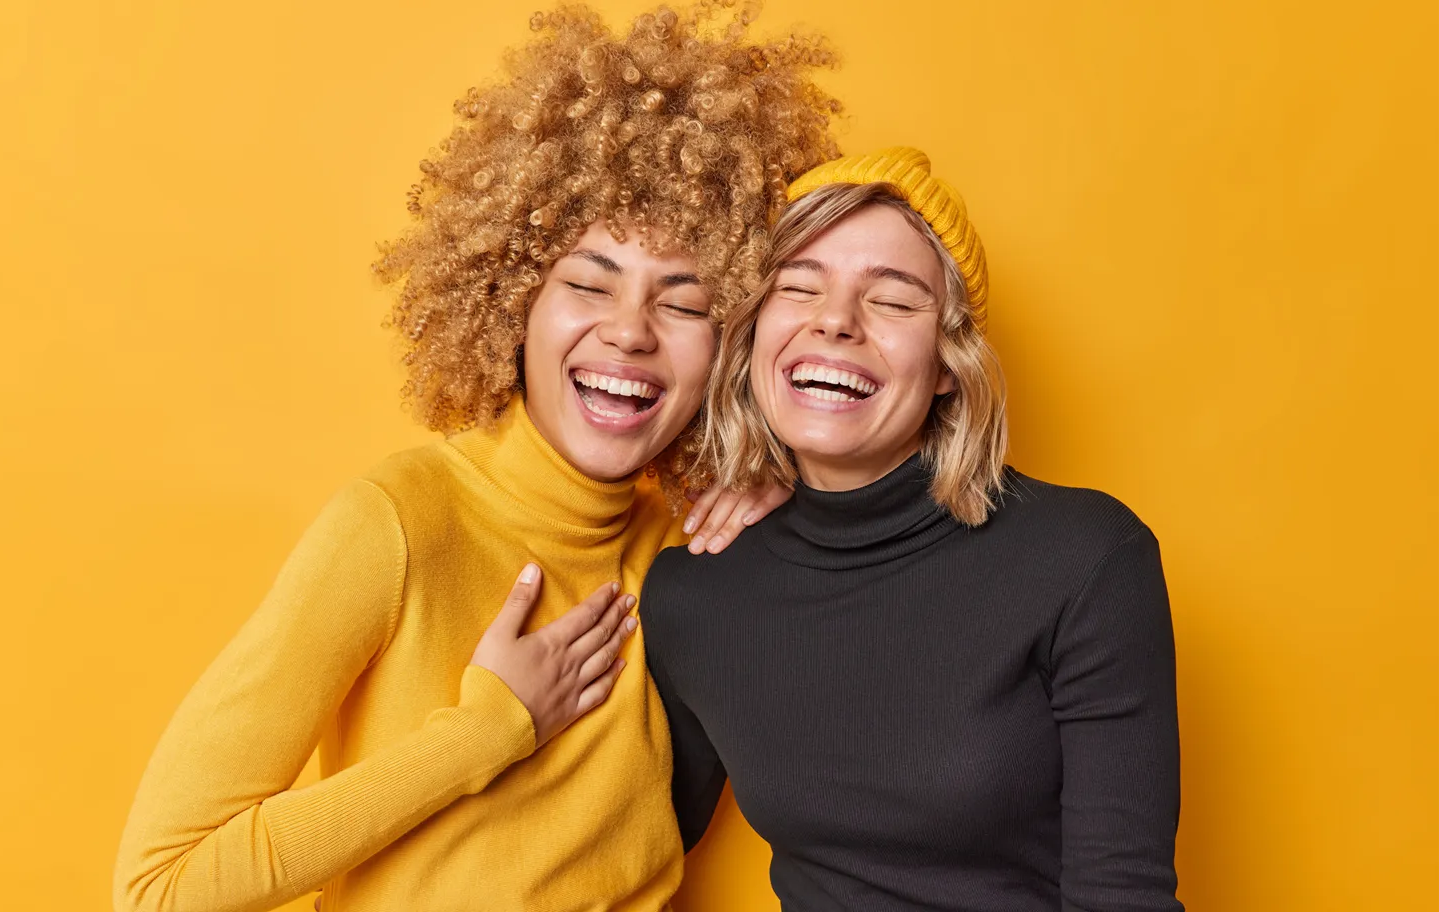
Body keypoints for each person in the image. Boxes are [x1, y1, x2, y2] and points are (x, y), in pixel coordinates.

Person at [112, 7, 840, 911]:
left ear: (732, 344)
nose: (629, 331)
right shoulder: (398, 524)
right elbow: (163, 885)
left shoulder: (692, 556)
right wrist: (489, 729)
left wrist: (795, 508)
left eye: (685, 304)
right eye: (588, 284)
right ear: (511, 301)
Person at [642, 148, 1183, 911]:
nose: (835, 320)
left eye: (893, 301)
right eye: (798, 287)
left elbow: (1121, 897)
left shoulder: (1084, 559)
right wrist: (494, 720)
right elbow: (621, 851)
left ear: (947, 364)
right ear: (754, 334)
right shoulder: (694, 592)